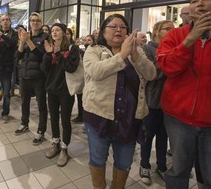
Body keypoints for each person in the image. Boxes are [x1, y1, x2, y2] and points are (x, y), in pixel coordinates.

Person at [83, 13, 156, 189]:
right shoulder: (94, 50)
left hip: (129, 119)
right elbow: (96, 72)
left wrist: (135, 56)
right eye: (113, 26)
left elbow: (151, 74)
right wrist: (122, 55)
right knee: (98, 158)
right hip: (99, 115)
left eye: (122, 27)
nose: (118, 30)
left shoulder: (137, 51)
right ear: (103, 31)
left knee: (124, 162)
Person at [156, 0, 211, 188]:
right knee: (179, 169)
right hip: (178, 117)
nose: (200, 3)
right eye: (195, 0)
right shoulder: (176, 35)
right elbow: (166, 66)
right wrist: (190, 39)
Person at [139, 20, 174, 185]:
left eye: (173, 29)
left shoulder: (173, 48)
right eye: (168, 29)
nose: (171, 31)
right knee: (147, 136)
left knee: (163, 136)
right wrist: (169, 63)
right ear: (157, 31)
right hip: (152, 101)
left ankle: (161, 166)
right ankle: (144, 165)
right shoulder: (147, 48)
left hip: (168, 103)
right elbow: (149, 74)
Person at [42, 23, 80, 167]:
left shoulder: (72, 48)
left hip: (66, 90)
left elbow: (71, 67)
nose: (54, 32)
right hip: (51, 89)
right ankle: (55, 143)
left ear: (64, 33)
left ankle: (65, 148)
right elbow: (44, 69)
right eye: (52, 30)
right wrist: (47, 54)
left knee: (65, 120)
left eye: (57, 30)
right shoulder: (49, 48)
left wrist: (58, 54)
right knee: (53, 118)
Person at [14, 12, 48, 145]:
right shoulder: (25, 36)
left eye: (37, 21)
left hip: (39, 77)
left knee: (41, 105)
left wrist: (28, 40)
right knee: (24, 103)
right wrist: (22, 42)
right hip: (24, 76)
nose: (34, 23)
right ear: (29, 22)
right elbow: (18, 56)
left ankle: (41, 131)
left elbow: (41, 56)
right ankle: (24, 123)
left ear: (41, 23)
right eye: (32, 20)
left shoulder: (45, 37)